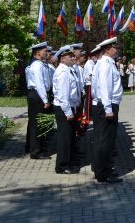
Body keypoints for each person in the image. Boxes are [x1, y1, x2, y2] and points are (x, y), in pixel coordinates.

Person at [93, 37, 124, 183]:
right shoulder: (106, 64)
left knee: (104, 140)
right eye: (114, 47)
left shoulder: (105, 63)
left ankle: (102, 170)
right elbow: (105, 87)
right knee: (106, 141)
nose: (116, 50)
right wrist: (108, 109)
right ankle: (104, 173)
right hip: (108, 105)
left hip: (107, 105)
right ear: (107, 49)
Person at [52, 46, 81, 174]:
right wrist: (68, 112)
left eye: (73, 55)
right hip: (64, 109)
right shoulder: (63, 72)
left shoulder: (67, 70)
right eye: (70, 56)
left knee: (70, 137)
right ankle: (62, 166)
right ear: (62, 59)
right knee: (65, 138)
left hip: (68, 107)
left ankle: (69, 161)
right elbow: (63, 95)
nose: (73, 57)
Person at [25, 42, 52, 160]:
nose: (47, 53)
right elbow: (39, 84)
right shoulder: (37, 65)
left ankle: (35, 148)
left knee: (38, 124)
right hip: (37, 95)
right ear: (38, 53)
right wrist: (45, 100)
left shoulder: (40, 64)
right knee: (37, 125)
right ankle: (35, 152)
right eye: (45, 51)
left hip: (38, 94)